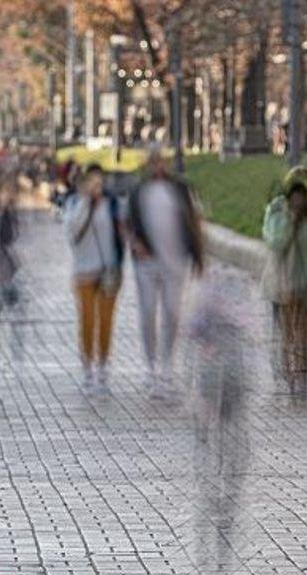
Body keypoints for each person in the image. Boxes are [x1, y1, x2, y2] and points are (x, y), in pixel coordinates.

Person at [126, 144, 205, 396]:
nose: (157, 164)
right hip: (147, 262)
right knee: (148, 312)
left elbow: (195, 221)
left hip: (176, 261)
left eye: (160, 160)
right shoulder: (139, 191)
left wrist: (198, 255)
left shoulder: (180, 189)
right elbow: (128, 224)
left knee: (172, 313)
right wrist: (135, 243)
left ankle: (167, 367)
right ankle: (151, 368)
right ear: (147, 164)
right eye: (152, 160)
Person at [261, 166, 307, 397]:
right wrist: (291, 218)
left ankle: (304, 376)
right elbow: (276, 242)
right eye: (296, 195)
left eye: (305, 195)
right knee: (288, 333)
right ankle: (288, 374)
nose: (300, 200)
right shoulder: (277, 210)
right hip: (284, 281)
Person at [65, 165, 124, 392]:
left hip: (107, 271)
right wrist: (87, 203)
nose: (95, 187)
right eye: (91, 182)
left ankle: (103, 366)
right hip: (83, 271)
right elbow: (72, 233)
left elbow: (118, 235)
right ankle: (87, 366)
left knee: (106, 320)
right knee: (87, 320)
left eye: (99, 183)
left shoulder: (111, 205)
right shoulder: (73, 204)